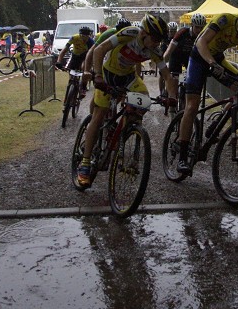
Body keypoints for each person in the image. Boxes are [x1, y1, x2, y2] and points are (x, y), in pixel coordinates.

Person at [173, 0, 238, 175]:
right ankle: (182, 157)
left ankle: (217, 122)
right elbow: (201, 42)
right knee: (192, 106)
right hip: (199, 58)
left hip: (217, 59)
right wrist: (211, 63)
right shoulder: (224, 20)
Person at [76, 14, 177, 188]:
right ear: (144, 33)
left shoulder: (155, 50)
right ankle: (85, 163)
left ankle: (128, 128)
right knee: (99, 115)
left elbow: (167, 76)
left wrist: (172, 98)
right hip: (109, 74)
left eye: (160, 40)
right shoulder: (129, 33)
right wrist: (98, 76)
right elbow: (100, 50)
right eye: (155, 39)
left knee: (144, 100)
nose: (157, 43)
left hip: (128, 77)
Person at [81, 18, 131, 97]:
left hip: (120, 60)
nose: (122, 34)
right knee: (98, 95)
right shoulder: (108, 33)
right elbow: (92, 51)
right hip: (105, 56)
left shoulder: (132, 35)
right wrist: (87, 70)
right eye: (119, 31)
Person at [163, 13, 207, 79]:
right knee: (173, 83)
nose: (199, 30)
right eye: (197, 27)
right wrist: (163, 64)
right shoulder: (182, 32)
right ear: (192, 25)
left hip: (189, 58)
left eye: (201, 27)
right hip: (176, 57)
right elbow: (169, 50)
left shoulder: (203, 35)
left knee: (193, 79)